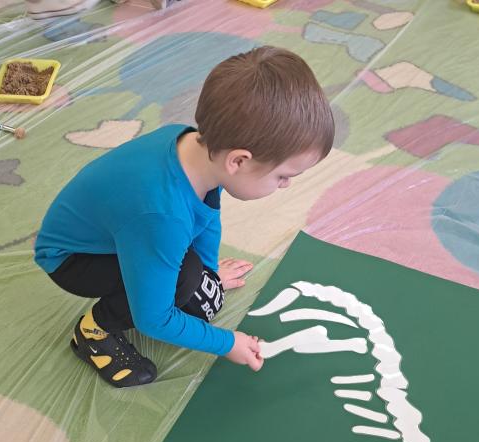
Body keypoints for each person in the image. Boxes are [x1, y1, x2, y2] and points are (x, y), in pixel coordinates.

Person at [34, 46, 334, 388]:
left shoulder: (195, 145)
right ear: (238, 161)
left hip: (126, 231)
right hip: (71, 260)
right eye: (282, 176)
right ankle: (94, 331)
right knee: (183, 278)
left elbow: (208, 213)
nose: (286, 185)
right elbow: (153, 319)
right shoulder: (164, 217)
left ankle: (185, 276)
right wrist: (227, 343)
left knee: (193, 280)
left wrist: (210, 272)